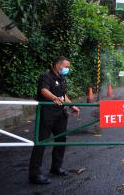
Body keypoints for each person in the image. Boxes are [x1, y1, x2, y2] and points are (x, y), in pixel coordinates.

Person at [28, 56, 80, 184]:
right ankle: (35, 174)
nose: (68, 69)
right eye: (66, 67)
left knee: (61, 140)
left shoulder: (62, 79)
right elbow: (44, 90)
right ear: (58, 65)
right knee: (41, 142)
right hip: (47, 114)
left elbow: (64, 95)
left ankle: (56, 167)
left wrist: (71, 105)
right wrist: (54, 98)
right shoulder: (46, 77)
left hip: (61, 115)